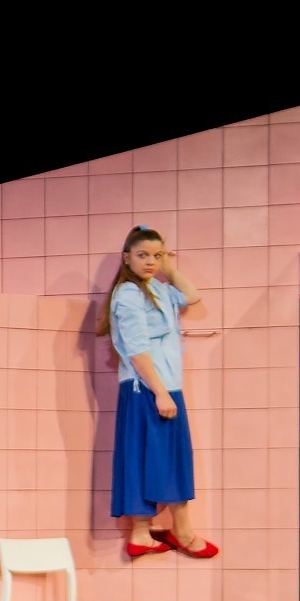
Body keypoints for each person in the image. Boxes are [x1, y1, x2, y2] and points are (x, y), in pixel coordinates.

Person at [98, 225, 217, 559]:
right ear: (126, 258)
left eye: (157, 255)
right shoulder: (128, 295)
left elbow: (192, 296)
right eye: (143, 255)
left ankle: (144, 533)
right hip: (148, 387)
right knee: (160, 456)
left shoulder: (159, 288)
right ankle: (177, 531)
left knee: (152, 454)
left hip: (161, 386)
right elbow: (137, 350)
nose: (151, 261)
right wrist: (161, 393)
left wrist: (170, 268)